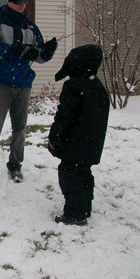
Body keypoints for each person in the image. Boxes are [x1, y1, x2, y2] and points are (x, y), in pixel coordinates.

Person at [0, 0, 58, 182]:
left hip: (23, 82)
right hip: (0, 82)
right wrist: (13, 50)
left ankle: (15, 165)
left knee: (20, 127)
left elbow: (40, 56)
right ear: (9, 1)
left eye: (24, 3)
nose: (22, 7)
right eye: (18, 3)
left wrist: (47, 51)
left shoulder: (30, 27)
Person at [47, 44, 110, 225]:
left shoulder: (74, 86)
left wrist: (55, 135)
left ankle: (75, 214)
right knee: (83, 173)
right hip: (93, 143)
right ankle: (85, 207)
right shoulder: (96, 85)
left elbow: (64, 115)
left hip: (75, 143)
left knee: (69, 174)